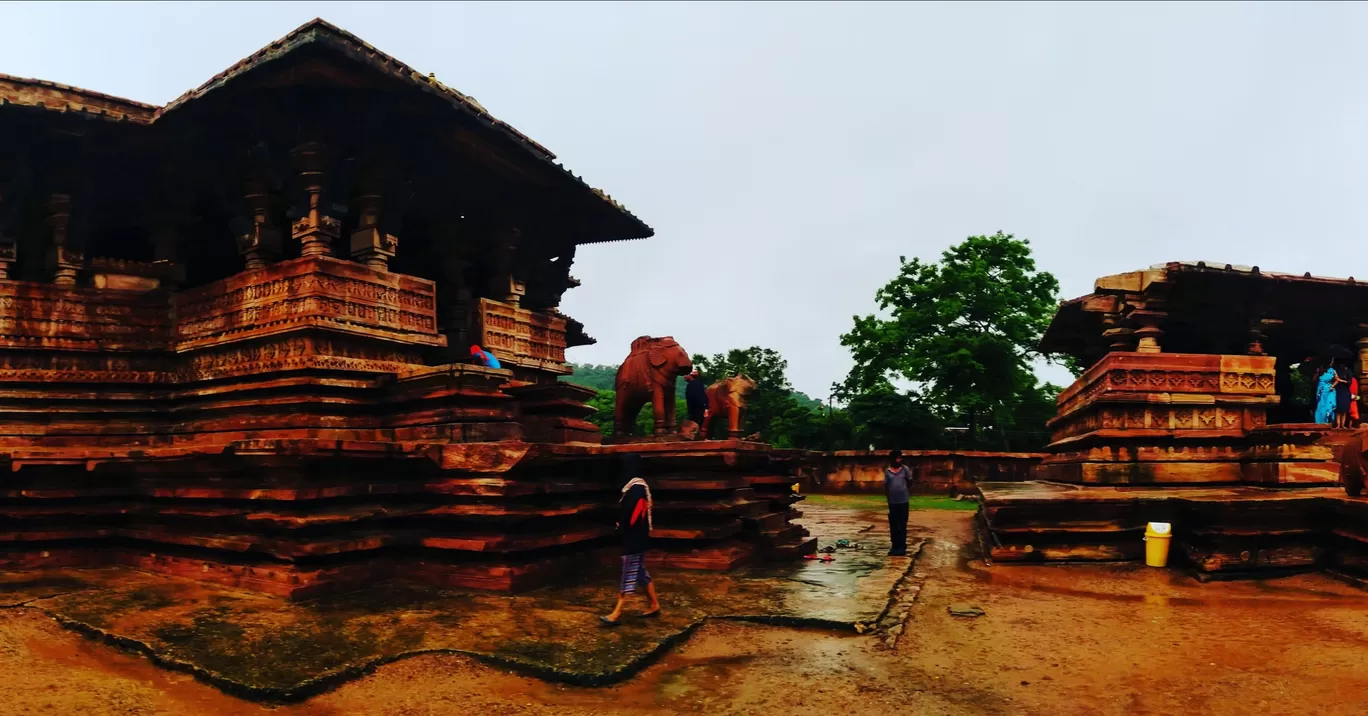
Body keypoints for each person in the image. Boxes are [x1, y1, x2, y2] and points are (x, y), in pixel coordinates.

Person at [601, 453, 661, 626]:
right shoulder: (636, 487)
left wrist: (623, 527)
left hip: (634, 539)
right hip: (638, 537)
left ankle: (617, 613)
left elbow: (635, 514)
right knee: (640, 573)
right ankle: (654, 604)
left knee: (628, 572)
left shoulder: (636, 488)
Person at [884, 449, 912, 557]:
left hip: (903, 501)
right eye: (898, 458)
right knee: (893, 525)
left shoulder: (905, 469)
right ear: (893, 459)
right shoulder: (887, 471)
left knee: (902, 524)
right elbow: (886, 485)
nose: (900, 459)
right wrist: (889, 498)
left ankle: (902, 546)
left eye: (901, 458)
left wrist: (903, 491)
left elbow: (909, 482)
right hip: (892, 503)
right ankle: (894, 546)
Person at [684, 369, 708, 437]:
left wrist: (691, 411)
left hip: (696, 410)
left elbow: (696, 398)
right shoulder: (698, 384)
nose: (684, 376)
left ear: (691, 376)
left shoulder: (692, 385)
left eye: (686, 374)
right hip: (699, 409)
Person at [1315, 360, 1338, 425]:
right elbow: (1313, 380)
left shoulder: (1332, 370)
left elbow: (1337, 380)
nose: (1331, 364)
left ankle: (1327, 421)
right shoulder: (1320, 370)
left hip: (1329, 390)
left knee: (1328, 405)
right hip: (1321, 390)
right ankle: (1319, 421)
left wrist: (1332, 386)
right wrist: (1317, 372)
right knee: (1320, 405)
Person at [1336, 360, 1353, 429]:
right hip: (1338, 390)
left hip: (1345, 391)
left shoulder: (1348, 371)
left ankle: (1342, 424)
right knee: (1338, 408)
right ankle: (1338, 424)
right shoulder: (1337, 371)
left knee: (1344, 408)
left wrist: (1341, 380)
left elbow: (1349, 382)